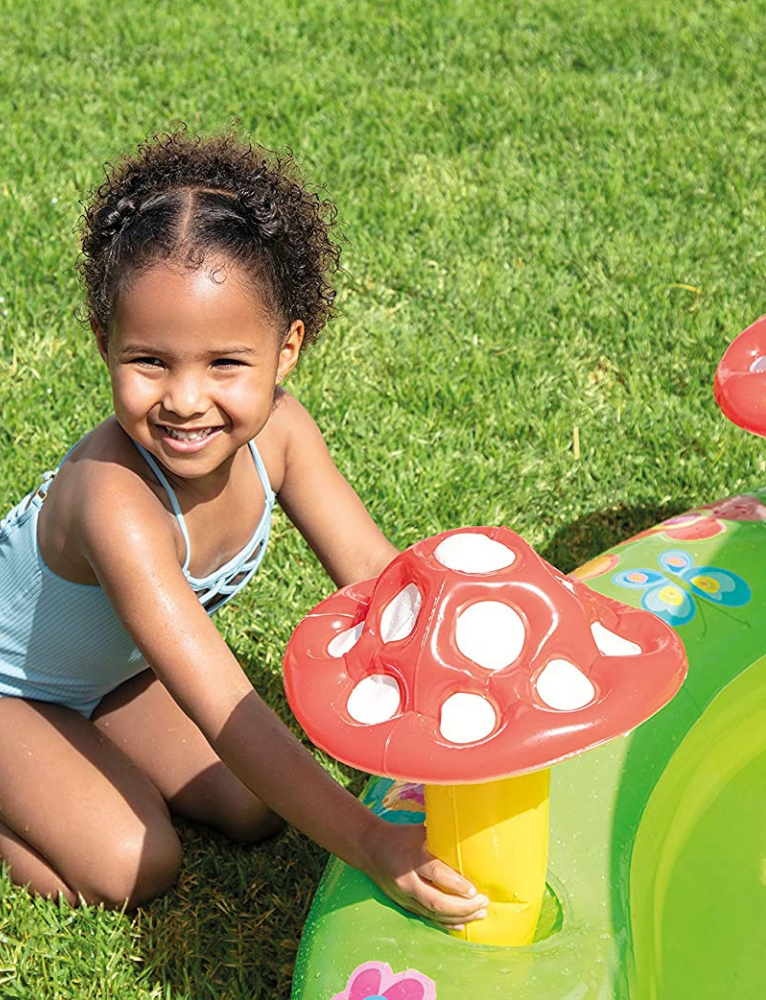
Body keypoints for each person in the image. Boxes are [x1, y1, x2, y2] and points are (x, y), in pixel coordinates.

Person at [0, 129, 489, 931]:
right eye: (149, 361)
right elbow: (226, 705)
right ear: (103, 345)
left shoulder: (285, 436)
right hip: (10, 691)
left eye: (225, 363)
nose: (186, 400)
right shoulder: (114, 502)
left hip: (112, 678)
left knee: (252, 808)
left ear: (286, 348)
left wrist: (475, 685)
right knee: (138, 863)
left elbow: (373, 578)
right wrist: (371, 843)